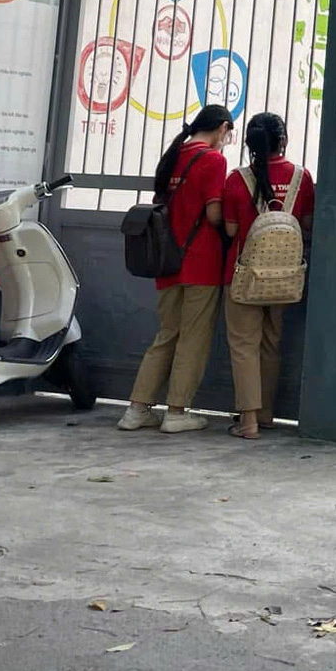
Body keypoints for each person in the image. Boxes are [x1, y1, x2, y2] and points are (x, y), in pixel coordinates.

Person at [118, 104, 235, 434]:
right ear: (223, 128)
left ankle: (136, 410)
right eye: (229, 134)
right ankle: (177, 412)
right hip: (201, 262)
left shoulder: (174, 154)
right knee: (193, 339)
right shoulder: (213, 160)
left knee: (166, 335)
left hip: (166, 260)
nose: (227, 141)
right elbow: (214, 215)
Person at [221, 113, 314, 440]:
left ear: (250, 144)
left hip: (244, 276)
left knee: (244, 346)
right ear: (283, 141)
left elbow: (230, 229)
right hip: (285, 277)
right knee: (272, 344)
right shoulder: (302, 177)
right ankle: (266, 414)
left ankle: (247, 421)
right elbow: (306, 224)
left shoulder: (236, 180)